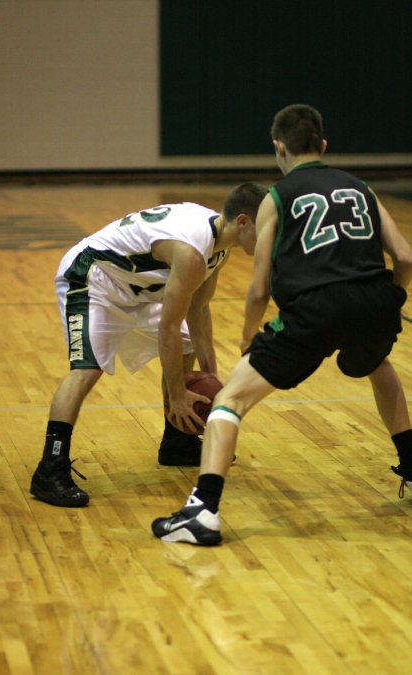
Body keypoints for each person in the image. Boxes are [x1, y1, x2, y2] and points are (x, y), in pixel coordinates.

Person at [152, 104, 412, 546]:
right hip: (376, 299)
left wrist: (250, 332)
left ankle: (203, 512)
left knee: (230, 399)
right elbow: (405, 257)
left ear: (279, 148)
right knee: (379, 367)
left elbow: (259, 286)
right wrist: (390, 299)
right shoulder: (362, 187)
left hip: (314, 309)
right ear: (323, 145)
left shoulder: (277, 197)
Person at [30, 182, 267, 507]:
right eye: (266, 227)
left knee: (187, 341)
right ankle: (49, 468)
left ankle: (178, 440)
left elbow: (198, 313)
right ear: (243, 222)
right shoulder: (192, 250)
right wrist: (179, 394)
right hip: (94, 276)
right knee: (87, 369)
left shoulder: (219, 247)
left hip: (136, 286)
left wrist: (212, 377)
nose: (271, 236)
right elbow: (166, 329)